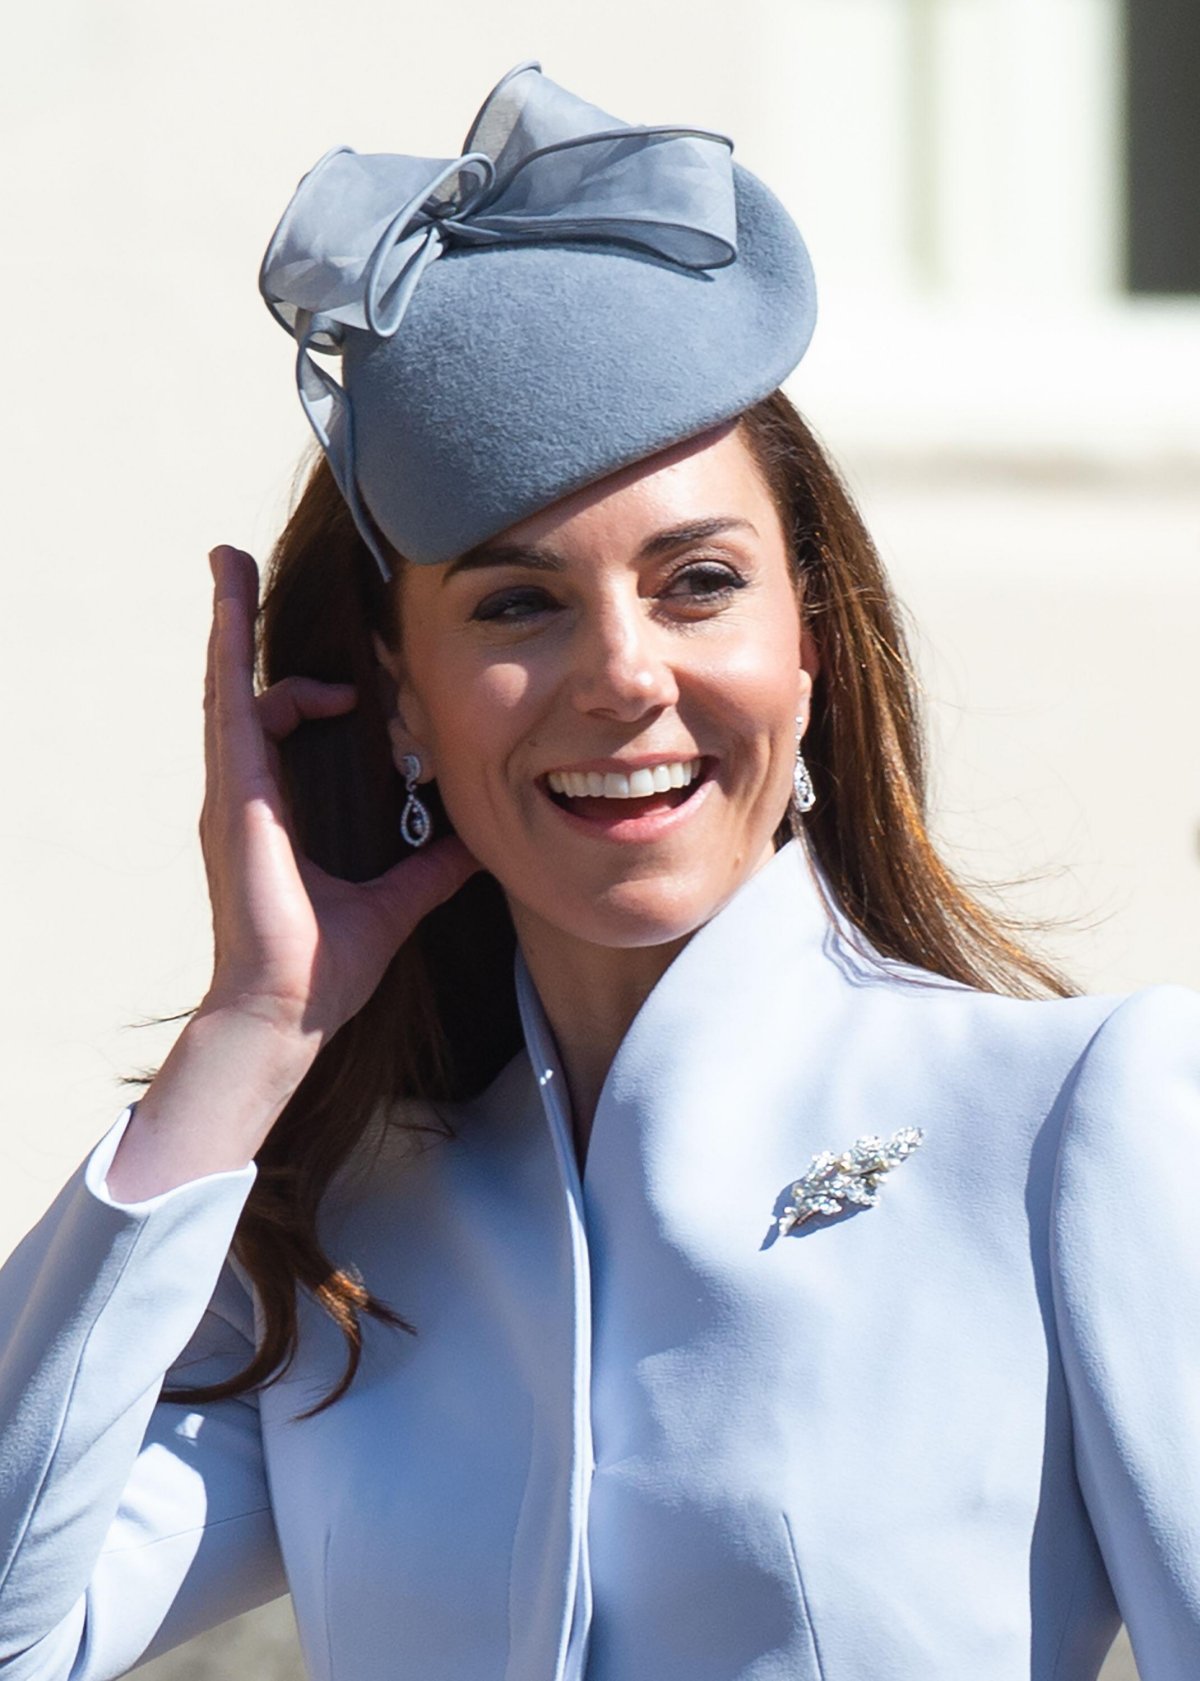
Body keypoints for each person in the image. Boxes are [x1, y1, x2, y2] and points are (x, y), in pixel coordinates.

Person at [0, 59, 1196, 1681]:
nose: (625, 674)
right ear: (402, 702)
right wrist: (247, 1032)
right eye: (515, 605)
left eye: (698, 582)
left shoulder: (1078, 1115)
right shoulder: (340, 1231)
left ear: (810, 651)